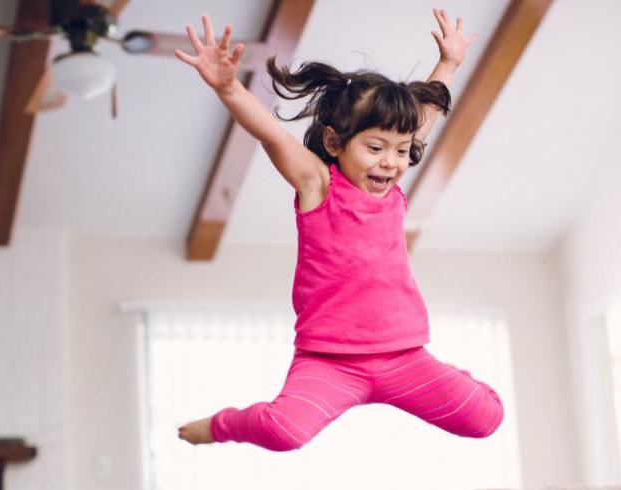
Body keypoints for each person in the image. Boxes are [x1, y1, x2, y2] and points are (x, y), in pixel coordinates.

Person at [175, 9, 504, 451]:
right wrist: (228, 86)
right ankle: (221, 426)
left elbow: (422, 118)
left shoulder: (390, 186)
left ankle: (453, 377)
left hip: (404, 356)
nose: (390, 161)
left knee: (487, 418)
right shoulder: (319, 185)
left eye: (402, 151)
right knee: (283, 433)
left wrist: (449, 63)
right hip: (330, 363)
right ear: (334, 142)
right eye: (374, 148)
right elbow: (273, 136)